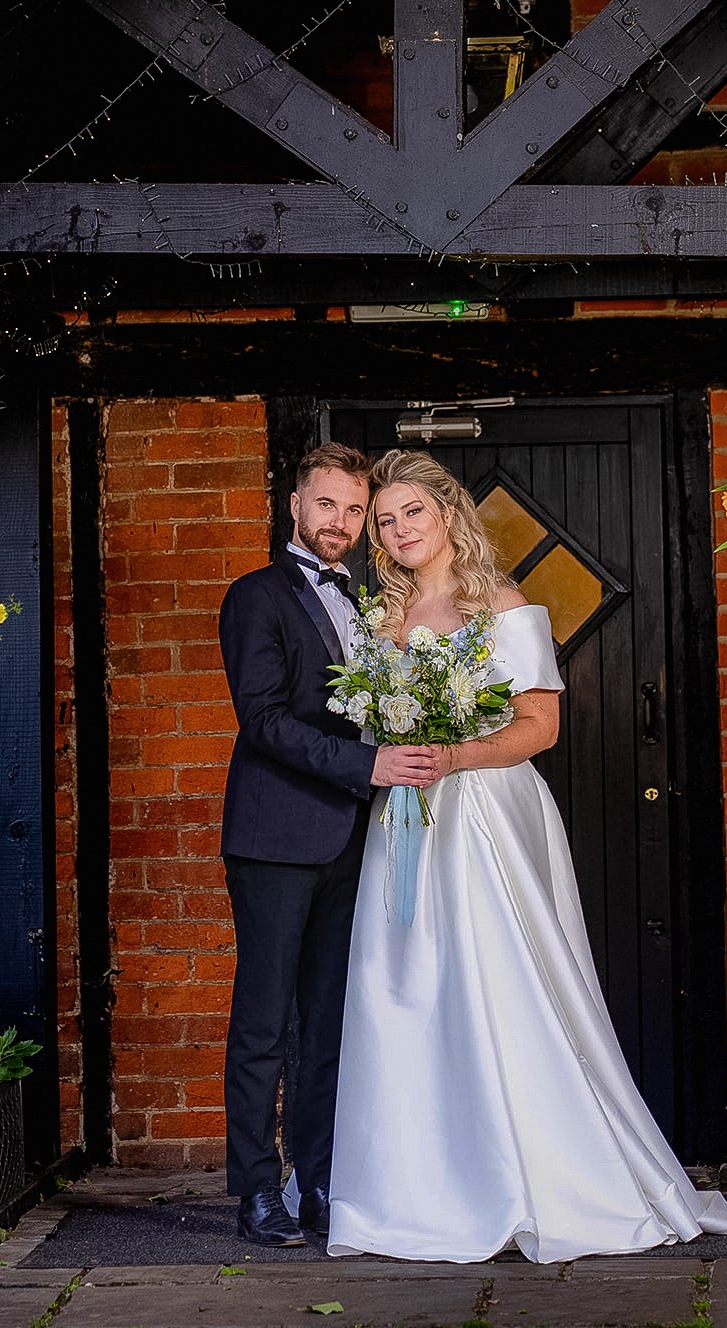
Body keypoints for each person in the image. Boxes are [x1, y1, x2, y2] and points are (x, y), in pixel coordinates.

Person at [326, 448, 727, 1265]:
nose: (399, 528)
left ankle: (536, 1176)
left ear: (448, 514)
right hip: (403, 815)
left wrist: (451, 756)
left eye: (413, 510)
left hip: (483, 811)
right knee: (406, 984)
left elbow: (537, 729)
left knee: (498, 979)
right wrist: (396, 743)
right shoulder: (380, 616)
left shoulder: (504, 607)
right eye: (385, 518)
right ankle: (416, 1186)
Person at [218, 441, 436, 1248]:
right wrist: (370, 763)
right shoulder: (256, 596)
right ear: (295, 508)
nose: (340, 522)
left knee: (331, 1024)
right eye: (326, 505)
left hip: (353, 839)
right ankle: (254, 1190)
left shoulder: (372, 600)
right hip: (275, 839)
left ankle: (318, 1181)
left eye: (353, 509)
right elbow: (264, 720)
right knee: (265, 1024)